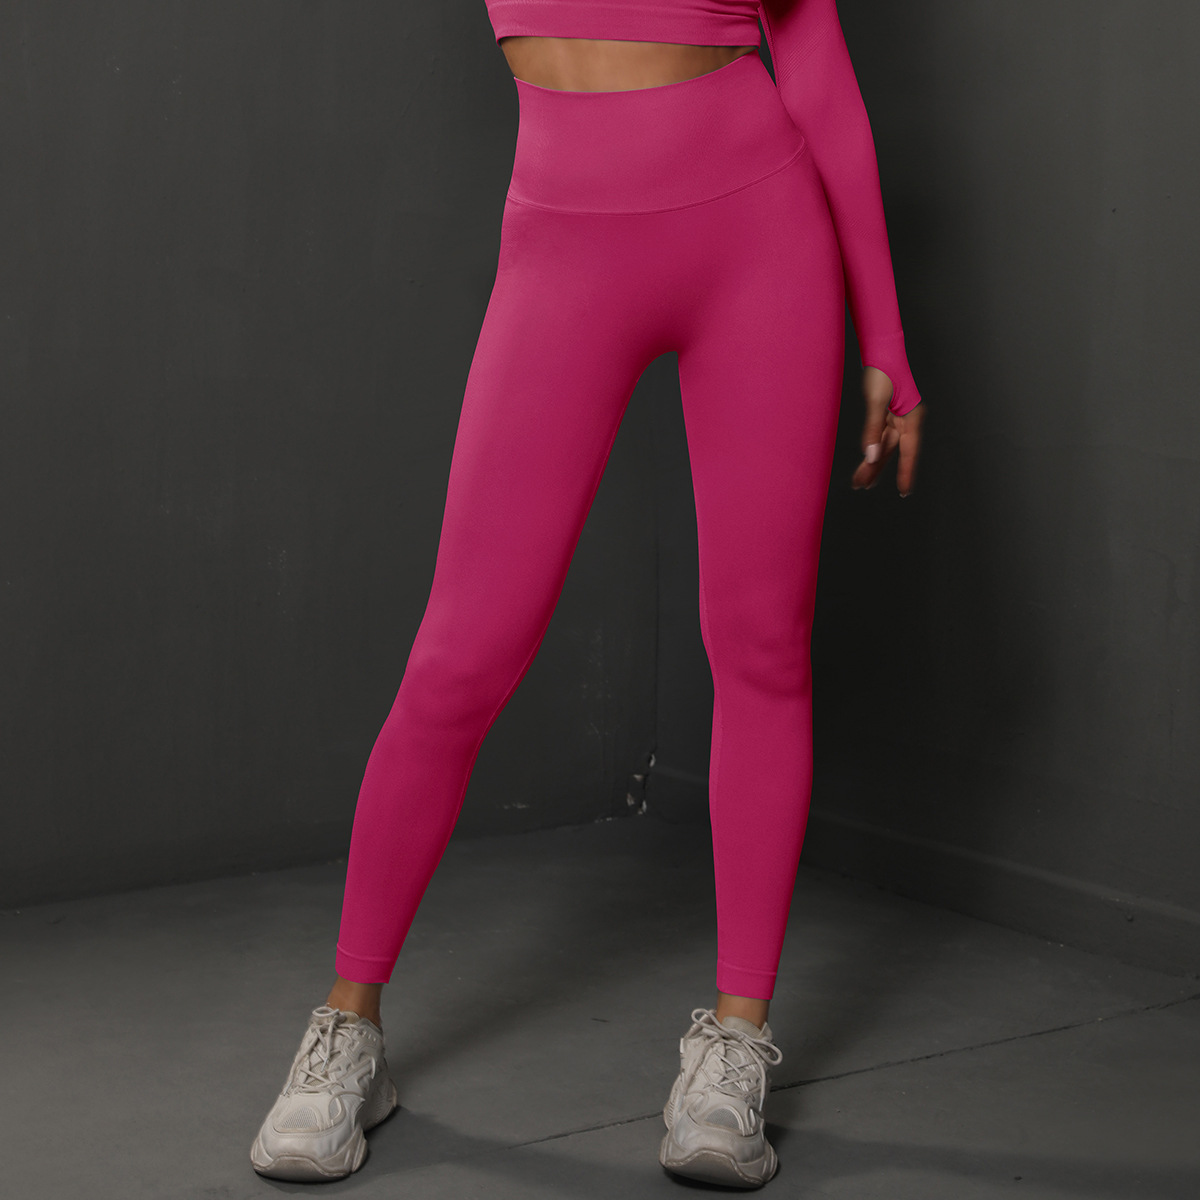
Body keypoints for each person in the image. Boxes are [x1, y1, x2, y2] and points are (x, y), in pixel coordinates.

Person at [249, 0, 925, 1189]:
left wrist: (889, 338)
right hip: (562, 242)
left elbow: (814, 52)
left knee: (761, 644)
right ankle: (348, 1030)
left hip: (759, 235)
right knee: (458, 659)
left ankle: (735, 1044)